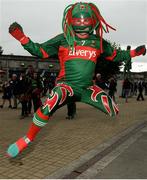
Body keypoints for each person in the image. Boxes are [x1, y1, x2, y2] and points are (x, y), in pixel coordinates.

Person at [7, 2, 146, 158]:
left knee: (114, 110)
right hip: (67, 87)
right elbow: (40, 51)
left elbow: (115, 55)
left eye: (85, 21)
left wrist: (134, 52)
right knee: (50, 103)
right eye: (78, 21)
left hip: (88, 89)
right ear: (70, 21)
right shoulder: (63, 39)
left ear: (93, 21)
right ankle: (27, 139)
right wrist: (22, 38)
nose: (82, 24)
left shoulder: (97, 41)